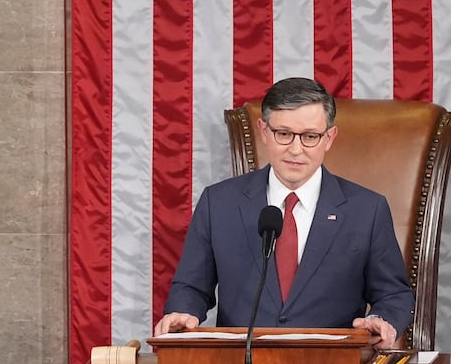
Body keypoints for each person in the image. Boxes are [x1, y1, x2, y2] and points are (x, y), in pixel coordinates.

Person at [153, 77, 414, 346]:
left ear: (329, 138)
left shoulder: (366, 210)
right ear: (264, 131)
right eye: (284, 134)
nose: (295, 149)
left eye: (310, 136)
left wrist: (382, 320)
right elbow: (191, 286)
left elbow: (394, 294)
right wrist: (182, 312)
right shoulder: (219, 203)